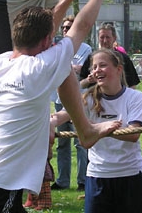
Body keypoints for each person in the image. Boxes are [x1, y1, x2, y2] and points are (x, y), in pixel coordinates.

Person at [0, 0, 121, 212]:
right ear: (48, 41)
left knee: (65, 69)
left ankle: (86, 130)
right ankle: (86, 130)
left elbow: (44, 31)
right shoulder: (38, 70)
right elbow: (82, 25)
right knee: (65, 67)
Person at [55, 48, 142, 213]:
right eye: (94, 67)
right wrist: (50, 124)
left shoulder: (134, 97)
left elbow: (134, 134)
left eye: (103, 65)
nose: (97, 70)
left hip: (130, 175)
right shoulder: (87, 99)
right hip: (98, 175)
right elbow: (59, 117)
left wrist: (98, 129)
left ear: (119, 69)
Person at [51, 15, 91, 192]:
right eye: (64, 28)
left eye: (69, 27)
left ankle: (83, 180)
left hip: (79, 100)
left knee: (80, 142)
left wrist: (69, 66)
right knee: (62, 143)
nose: (66, 30)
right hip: (60, 102)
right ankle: (62, 180)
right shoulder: (57, 48)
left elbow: (83, 70)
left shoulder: (86, 49)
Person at [80, 22, 140, 89]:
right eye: (102, 37)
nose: (105, 41)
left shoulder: (123, 58)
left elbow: (132, 85)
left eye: (108, 37)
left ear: (114, 38)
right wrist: (88, 80)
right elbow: (80, 85)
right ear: (98, 38)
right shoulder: (91, 58)